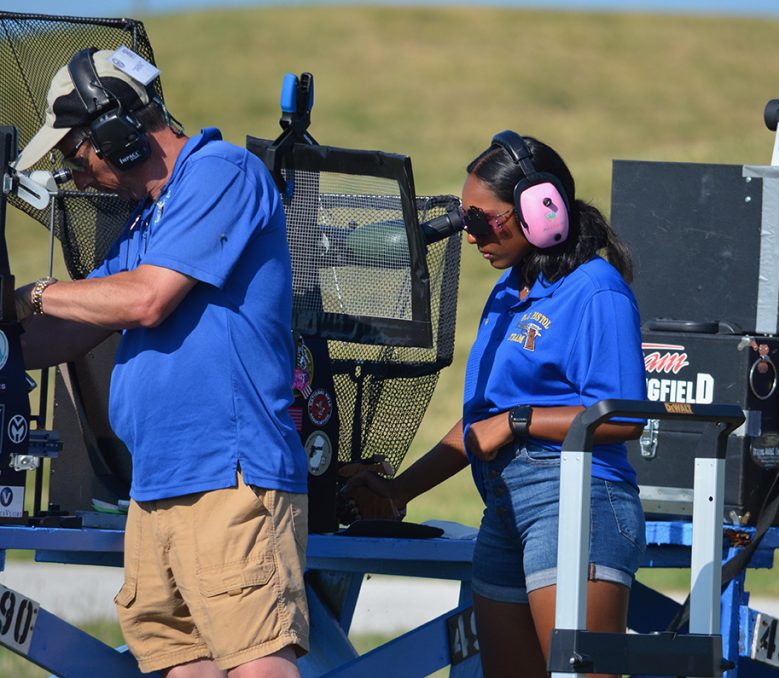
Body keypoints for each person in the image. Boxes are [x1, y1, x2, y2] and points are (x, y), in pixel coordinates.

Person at [13, 47, 309, 677]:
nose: (78, 175)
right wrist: (8, 336)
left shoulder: (221, 173)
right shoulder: (150, 223)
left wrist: (29, 294)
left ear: (117, 133)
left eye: (75, 154)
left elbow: (146, 301)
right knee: (183, 664)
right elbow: (61, 336)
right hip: (159, 481)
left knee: (256, 661)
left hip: (227, 473)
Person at [343, 131, 647, 677]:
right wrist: (396, 491)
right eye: (466, 221)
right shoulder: (508, 291)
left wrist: (518, 422)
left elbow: (622, 416)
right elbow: (482, 426)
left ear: (541, 209)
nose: (471, 235)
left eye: (482, 220)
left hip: (578, 501)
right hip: (505, 510)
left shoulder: (596, 289)